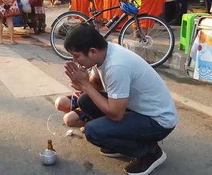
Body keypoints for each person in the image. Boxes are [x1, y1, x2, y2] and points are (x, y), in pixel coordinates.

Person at [63, 24, 178, 175]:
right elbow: (97, 87)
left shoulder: (116, 66)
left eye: (77, 56)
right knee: (85, 100)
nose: (75, 61)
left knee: (93, 131)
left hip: (158, 121)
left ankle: (150, 153)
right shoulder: (105, 53)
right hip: (138, 110)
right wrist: (84, 85)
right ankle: (119, 141)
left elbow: (116, 114)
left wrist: (86, 85)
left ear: (92, 51)